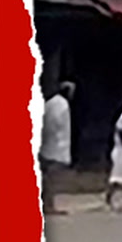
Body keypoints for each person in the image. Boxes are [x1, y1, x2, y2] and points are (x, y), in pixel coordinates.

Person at [39, 82, 75, 215]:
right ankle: (49, 206)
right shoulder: (61, 104)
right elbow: (54, 124)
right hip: (56, 147)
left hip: (49, 146)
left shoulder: (51, 103)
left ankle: (47, 205)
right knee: (51, 180)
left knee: (48, 179)